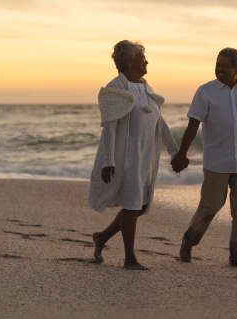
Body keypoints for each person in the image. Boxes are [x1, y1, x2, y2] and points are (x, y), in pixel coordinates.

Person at [171, 47, 237, 269]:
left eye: (225, 66)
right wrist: (182, 153)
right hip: (216, 162)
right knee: (210, 206)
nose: (219, 69)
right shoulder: (205, 92)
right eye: (217, 64)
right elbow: (193, 124)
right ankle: (189, 241)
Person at [88, 40, 179, 270]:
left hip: (146, 157)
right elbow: (110, 128)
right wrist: (109, 161)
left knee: (137, 206)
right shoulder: (115, 89)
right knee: (131, 206)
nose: (146, 61)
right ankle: (130, 258)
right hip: (125, 158)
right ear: (129, 61)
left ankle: (102, 238)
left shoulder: (146, 87)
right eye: (141, 57)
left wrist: (174, 150)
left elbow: (159, 121)